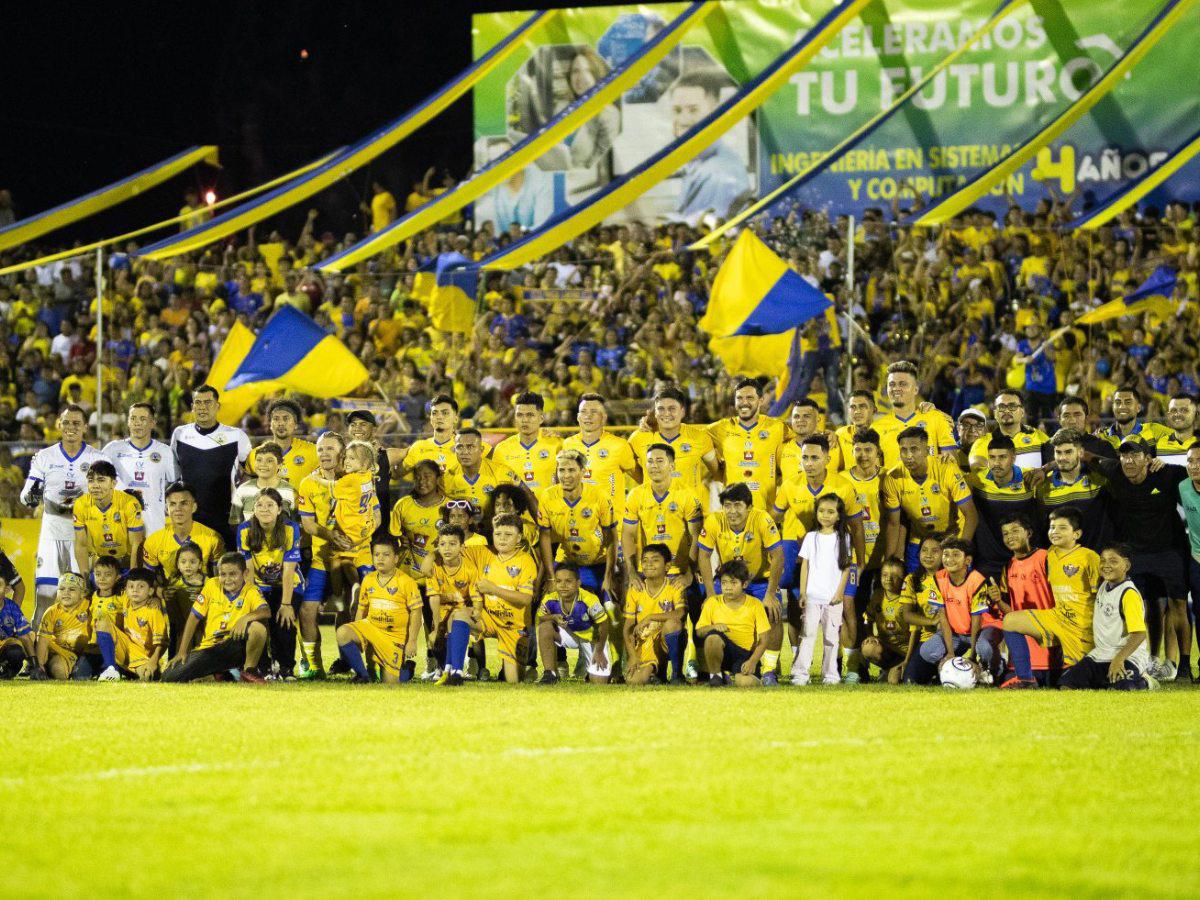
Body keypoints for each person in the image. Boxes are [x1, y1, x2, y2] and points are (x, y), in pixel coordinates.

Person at [1090, 440, 1190, 680]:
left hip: (1169, 551)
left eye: (1135, 455)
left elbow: (1194, 470)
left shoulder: (1166, 473)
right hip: (1136, 554)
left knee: (1178, 607)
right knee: (1146, 606)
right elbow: (1087, 457)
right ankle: (1147, 660)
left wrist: (1167, 462)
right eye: (1124, 456)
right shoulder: (1115, 470)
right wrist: (1045, 467)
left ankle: (1183, 666)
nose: (1129, 461)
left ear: (1148, 458)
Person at [20, 404, 105, 625]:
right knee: (46, 594)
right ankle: (37, 653)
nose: (71, 427)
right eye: (66, 422)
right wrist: (31, 496)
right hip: (52, 530)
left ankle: (78, 650)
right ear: (60, 424)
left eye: (77, 423)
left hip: (82, 534)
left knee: (81, 593)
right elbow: (26, 495)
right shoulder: (44, 457)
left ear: (85, 427)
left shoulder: (97, 458)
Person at [1002, 507, 1101, 686]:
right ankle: (1025, 679)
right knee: (1010, 621)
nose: (1055, 532)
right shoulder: (1050, 555)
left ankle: (1138, 678)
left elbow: (1101, 595)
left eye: (1062, 528)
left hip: (1081, 626)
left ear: (1077, 533)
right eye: (1052, 527)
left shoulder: (1089, 557)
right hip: (1056, 617)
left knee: (1079, 681)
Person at [697, 483, 783, 683]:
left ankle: (769, 670)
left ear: (749, 507)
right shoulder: (714, 521)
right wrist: (710, 594)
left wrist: (770, 594)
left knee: (773, 613)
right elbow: (703, 556)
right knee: (708, 615)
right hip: (728, 580)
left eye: (738, 505)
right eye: (727, 505)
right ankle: (712, 670)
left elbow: (778, 556)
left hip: (760, 580)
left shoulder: (762, 518)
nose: (732, 511)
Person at [141, 482, 224, 654]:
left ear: (194, 506)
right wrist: (158, 593)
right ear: (166, 508)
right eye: (172, 504)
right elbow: (147, 579)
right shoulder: (154, 540)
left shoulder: (212, 537)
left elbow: (220, 578)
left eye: (184, 503)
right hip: (172, 599)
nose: (178, 509)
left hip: (204, 598)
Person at [162, 553, 269, 683]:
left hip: (234, 645)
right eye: (223, 574)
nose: (227, 579)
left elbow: (266, 611)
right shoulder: (212, 585)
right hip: (210, 648)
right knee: (169, 677)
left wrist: (245, 618)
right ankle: (222, 675)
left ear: (245, 574)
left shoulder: (251, 590)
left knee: (257, 628)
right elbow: (193, 617)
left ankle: (249, 671)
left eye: (233, 574)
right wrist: (182, 651)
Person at [1058, 543, 1152, 690]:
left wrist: (1119, 659)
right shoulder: (1103, 585)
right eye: (1103, 560)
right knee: (1066, 685)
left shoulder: (1128, 594)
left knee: (1122, 688)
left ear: (1126, 565)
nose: (1106, 565)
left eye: (1113, 561)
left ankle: (1146, 681)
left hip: (1127, 656)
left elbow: (1139, 634)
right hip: (1100, 654)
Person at [295, 431, 351, 678]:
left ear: (342, 452)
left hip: (352, 557)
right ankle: (313, 666)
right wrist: (331, 536)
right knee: (307, 611)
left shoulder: (355, 478)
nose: (324, 454)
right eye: (320, 449)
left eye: (330, 449)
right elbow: (307, 524)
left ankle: (357, 662)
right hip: (321, 558)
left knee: (353, 610)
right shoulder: (308, 483)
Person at [882, 427, 977, 572]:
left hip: (952, 538)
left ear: (927, 450)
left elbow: (971, 516)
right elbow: (894, 524)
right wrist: (889, 563)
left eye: (914, 449)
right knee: (916, 588)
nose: (908, 455)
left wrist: (960, 551)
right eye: (903, 450)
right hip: (919, 539)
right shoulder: (893, 478)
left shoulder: (947, 468)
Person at [170, 385, 250, 547]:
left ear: (217, 406)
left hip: (225, 518)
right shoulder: (180, 434)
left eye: (208, 402)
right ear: (192, 407)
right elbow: (174, 476)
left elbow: (251, 474)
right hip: (190, 518)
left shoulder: (236, 436)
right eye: (198, 403)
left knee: (225, 568)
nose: (202, 407)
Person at [335, 534, 422, 684]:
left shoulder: (406, 582)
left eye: (386, 555)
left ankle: (407, 670)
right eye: (376, 555)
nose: (380, 558)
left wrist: (412, 641)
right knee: (342, 632)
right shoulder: (368, 580)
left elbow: (416, 612)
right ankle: (363, 676)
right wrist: (357, 631)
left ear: (395, 558)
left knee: (390, 682)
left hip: (393, 637)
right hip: (371, 627)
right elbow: (362, 608)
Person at [668, 69, 750, 224]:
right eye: (677, 110)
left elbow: (696, 229)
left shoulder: (718, 172)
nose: (683, 120)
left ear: (714, 112)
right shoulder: (697, 162)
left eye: (693, 110)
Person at [236, 488, 303, 679]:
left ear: (279, 509)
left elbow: (289, 570)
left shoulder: (291, 529)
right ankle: (263, 668)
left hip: (288, 585)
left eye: (270, 505)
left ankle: (286, 668)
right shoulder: (244, 530)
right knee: (259, 622)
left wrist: (287, 604)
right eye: (259, 505)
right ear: (253, 509)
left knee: (285, 621)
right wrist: (254, 602)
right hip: (258, 586)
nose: (264, 509)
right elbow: (247, 571)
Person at [464, 514, 537, 685]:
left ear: (519, 537)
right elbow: (452, 551)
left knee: (512, 681)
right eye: (498, 534)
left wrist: (494, 590)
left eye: (508, 535)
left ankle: (522, 669)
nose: (502, 539)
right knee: (459, 616)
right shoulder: (483, 552)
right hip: (488, 619)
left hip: (514, 626)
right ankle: (454, 670)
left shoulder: (525, 561)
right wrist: (432, 556)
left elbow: (526, 599)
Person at [536, 449, 616, 598]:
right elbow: (545, 536)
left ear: (583, 471)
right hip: (566, 562)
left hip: (597, 564)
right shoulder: (547, 496)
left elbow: (610, 537)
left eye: (572, 470)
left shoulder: (599, 496)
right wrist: (551, 576)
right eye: (561, 470)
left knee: (610, 607)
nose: (566, 476)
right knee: (548, 605)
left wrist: (609, 575)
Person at [794, 495, 854, 686]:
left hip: (833, 599)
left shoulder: (844, 538)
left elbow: (846, 568)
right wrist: (803, 592)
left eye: (831, 512)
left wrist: (839, 593)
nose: (825, 515)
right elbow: (805, 566)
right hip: (812, 597)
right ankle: (801, 674)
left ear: (838, 516)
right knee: (807, 634)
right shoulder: (811, 537)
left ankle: (830, 675)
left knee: (831, 637)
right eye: (821, 511)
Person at [990, 515, 1055, 688]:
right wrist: (998, 600)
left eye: (1015, 531)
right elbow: (1011, 615)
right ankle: (1024, 677)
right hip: (1024, 654)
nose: (1010, 537)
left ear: (1029, 533)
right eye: (1005, 533)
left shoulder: (1046, 558)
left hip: (1050, 646)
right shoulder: (1008, 566)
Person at [919, 538, 997, 681]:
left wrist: (973, 655)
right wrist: (950, 654)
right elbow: (943, 617)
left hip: (980, 630)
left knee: (985, 650)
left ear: (967, 560)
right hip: (955, 633)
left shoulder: (977, 581)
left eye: (955, 555)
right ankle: (954, 669)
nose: (949, 559)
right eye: (946, 554)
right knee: (926, 651)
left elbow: (977, 621)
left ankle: (986, 668)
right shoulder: (937, 578)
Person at [629, 385, 719, 500]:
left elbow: (716, 471)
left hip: (689, 514)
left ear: (682, 412)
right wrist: (645, 480)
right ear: (655, 413)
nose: (666, 414)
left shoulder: (699, 437)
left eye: (672, 409)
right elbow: (626, 464)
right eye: (661, 409)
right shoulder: (639, 437)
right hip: (653, 513)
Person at [967, 434, 1038, 581]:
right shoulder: (976, 479)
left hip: (1023, 561)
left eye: (1002, 457)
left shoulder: (1030, 479)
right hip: (987, 564)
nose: (996, 463)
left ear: (1013, 458)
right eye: (992, 457)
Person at [707, 378, 785, 510]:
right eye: (739, 398)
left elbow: (803, 437)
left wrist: (830, 435)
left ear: (760, 400)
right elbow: (691, 437)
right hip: (733, 513)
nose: (744, 403)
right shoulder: (720, 428)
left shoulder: (777, 427)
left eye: (750, 398)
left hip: (765, 513)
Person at [425, 523, 490, 679]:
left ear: (462, 547)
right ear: (437, 547)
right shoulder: (434, 567)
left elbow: (476, 596)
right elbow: (433, 597)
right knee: (436, 638)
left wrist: (477, 612)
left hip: (462, 611)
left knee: (472, 635)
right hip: (441, 610)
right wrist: (435, 626)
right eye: (443, 544)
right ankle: (442, 668)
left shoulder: (470, 569)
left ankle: (477, 668)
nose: (447, 548)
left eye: (452, 544)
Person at [561, 393, 638, 522]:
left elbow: (641, 478)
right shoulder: (568, 444)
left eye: (594, 412)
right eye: (584, 411)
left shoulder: (619, 445)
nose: (588, 416)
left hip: (612, 525)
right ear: (578, 417)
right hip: (579, 524)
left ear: (603, 418)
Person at [103, 402, 177, 534]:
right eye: (133, 418)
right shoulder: (112, 450)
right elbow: (96, 481)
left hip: (154, 526)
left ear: (153, 423)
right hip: (119, 525)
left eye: (143, 419)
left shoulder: (165, 451)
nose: (137, 423)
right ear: (128, 422)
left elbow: (175, 484)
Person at [1032, 429, 1111, 551]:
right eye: (1058, 452)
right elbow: (1042, 530)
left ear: (1080, 453)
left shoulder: (1099, 480)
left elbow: (1118, 469)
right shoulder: (1043, 487)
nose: (1062, 458)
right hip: (1061, 562)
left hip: (1096, 560)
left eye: (1068, 452)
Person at [695, 560, 771, 687]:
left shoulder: (755, 604)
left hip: (745, 655)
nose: (728, 587)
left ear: (745, 584)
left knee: (744, 683)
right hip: (722, 652)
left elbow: (764, 639)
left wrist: (752, 661)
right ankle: (716, 677)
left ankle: (737, 678)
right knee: (713, 637)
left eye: (733, 582)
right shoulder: (712, 602)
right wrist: (713, 627)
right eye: (724, 583)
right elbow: (699, 632)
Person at [872, 360, 957, 469]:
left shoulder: (936, 418)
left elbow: (952, 465)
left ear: (916, 389)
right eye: (892, 384)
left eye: (903, 384)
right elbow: (875, 474)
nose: (896, 388)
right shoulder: (876, 428)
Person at [535, 563, 611, 684]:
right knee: (545, 627)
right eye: (559, 581)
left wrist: (599, 651)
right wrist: (553, 617)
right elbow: (541, 617)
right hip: (570, 635)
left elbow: (604, 624)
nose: (563, 585)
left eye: (568, 581)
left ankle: (590, 672)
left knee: (599, 682)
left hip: (591, 639)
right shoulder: (549, 598)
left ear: (578, 583)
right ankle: (550, 673)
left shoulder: (589, 599)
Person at [624, 544, 687, 685]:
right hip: (644, 642)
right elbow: (627, 627)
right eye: (645, 560)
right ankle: (658, 674)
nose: (649, 564)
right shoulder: (636, 589)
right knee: (634, 681)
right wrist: (633, 656)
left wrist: (651, 617)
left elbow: (680, 613)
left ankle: (677, 676)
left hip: (666, 638)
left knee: (673, 623)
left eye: (655, 560)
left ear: (667, 566)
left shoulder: (674, 586)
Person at [71, 459, 144, 578]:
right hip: (101, 565)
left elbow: (137, 543)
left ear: (113, 483)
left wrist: (133, 577)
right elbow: (81, 545)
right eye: (91, 481)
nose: (95, 485)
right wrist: (85, 579)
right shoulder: (81, 504)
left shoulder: (129, 503)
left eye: (101, 480)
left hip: (127, 565)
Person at [93, 567, 167, 682]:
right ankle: (111, 669)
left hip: (142, 658)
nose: (135, 590)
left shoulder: (153, 611)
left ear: (151, 591)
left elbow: (162, 643)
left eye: (141, 586)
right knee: (102, 622)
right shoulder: (126, 600)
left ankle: (132, 672)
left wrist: (153, 662)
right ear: (126, 590)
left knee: (147, 676)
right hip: (125, 648)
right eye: (131, 586)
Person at [491, 391, 562, 494]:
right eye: (519, 415)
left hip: (549, 508)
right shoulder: (501, 449)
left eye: (530, 415)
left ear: (541, 418)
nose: (524, 420)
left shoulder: (557, 444)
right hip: (516, 509)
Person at [31, 573, 99, 680]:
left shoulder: (91, 606)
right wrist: (39, 666)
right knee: (58, 668)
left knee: (81, 675)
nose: (65, 593)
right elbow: (43, 641)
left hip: (87, 655)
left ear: (83, 593)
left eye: (72, 589)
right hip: (62, 654)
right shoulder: (52, 611)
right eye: (61, 589)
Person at [900, 534, 945, 684]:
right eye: (924, 550)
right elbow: (907, 615)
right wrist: (931, 621)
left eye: (935, 551)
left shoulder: (952, 577)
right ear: (918, 553)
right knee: (909, 681)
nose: (928, 555)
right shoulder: (912, 580)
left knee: (948, 680)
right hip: (926, 639)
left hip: (951, 637)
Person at [967, 389, 1049, 471]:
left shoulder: (1039, 436)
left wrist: (1044, 470)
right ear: (995, 413)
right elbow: (975, 465)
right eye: (1001, 407)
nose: (1006, 411)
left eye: (1012, 406)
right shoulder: (983, 442)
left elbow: (1056, 461)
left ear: (1022, 411)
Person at [860, 557, 911, 684]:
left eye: (895, 575)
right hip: (887, 648)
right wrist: (870, 635)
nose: (888, 578)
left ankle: (903, 669)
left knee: (894, 681)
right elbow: (867, 619)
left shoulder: (908, 597)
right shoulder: (877, 595)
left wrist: (909, 657)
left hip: (907, 651)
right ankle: (887, 669)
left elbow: (917, 631)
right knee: (868, 648)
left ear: (904, 578)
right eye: (885, 574)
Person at [444, 428, 522, 511]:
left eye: (470, 447)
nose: (465, 452)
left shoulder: (502, 471)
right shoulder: (447, 479)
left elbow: (525, 495)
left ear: (481, 450)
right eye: (459, 447)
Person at [245, 399, 318, 484]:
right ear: (270, 425)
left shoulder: (313, 452)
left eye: (286, 418)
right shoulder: (254, 455)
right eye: (276, 419)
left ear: (296, 424)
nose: (281, 423)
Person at [400, 394, 466, 478]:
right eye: (435, 413)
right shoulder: (418, 446)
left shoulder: (467, 445)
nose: (439, 417)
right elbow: (395, 474)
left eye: (445, 413)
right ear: (430, 418)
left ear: (456, 418)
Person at [229, 441, 297, 523]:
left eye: (269, 461)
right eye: (259, 460)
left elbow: (296, 523)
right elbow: (234, 523)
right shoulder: (243, 490)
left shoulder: (290, 491)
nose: (263, 464)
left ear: (280, 464)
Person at [1096, 386, 1171, 452]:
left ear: (1138, 408)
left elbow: (1180, 438)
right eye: (1118, 403)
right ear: (1113, 407)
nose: (1122, 407)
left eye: (1128, 402)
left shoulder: (1154, 431)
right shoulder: (1101, 436)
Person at [0, 572, 35, 678]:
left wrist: (36, 665)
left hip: (5, 647)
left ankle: (8, 673)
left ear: (7, 589)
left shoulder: (12, 607)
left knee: (16, 651)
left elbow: (24, 636)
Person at [1155, 393, 1197, 466]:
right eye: (1173, 410)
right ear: (1168, 415)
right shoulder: (1159, 444)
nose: (1177, 414)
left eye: (1184, 410)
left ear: (1196, 415)